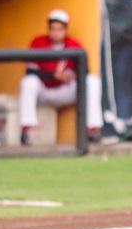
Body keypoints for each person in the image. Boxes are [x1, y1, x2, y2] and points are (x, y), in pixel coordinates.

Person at [19, 10, 103, 145]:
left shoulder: (74, 44)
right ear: (48, 29)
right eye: (53, 29)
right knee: (28, 82)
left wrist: (72, 75)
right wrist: (52, 75)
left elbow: (85, 70)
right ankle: (26, 129)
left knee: (92, 81)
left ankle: (92, 130)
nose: (56, 33)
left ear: (65, 30)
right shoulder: (38, 42)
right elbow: (29, 71)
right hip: (44, 90)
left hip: (65, 90)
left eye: (59, 29)